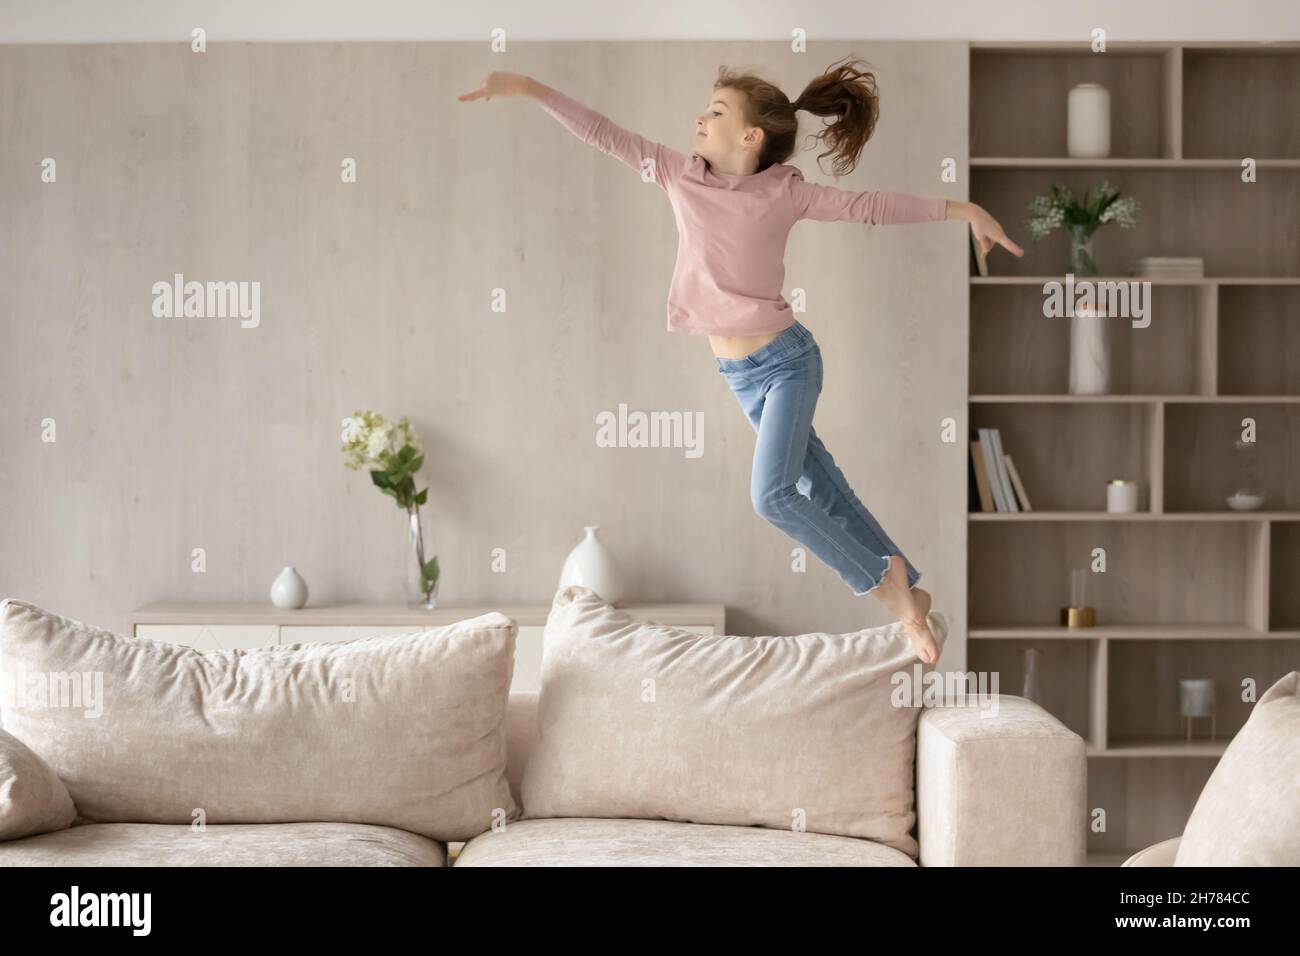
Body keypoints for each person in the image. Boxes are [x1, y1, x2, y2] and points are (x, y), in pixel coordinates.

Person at [459, 57, 1023, 663]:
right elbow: (604, 133)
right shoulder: (680, 175)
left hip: (788, 362)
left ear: (752, 137)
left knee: (772, 495)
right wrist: (529, 88)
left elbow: (870, 207)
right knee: (822, 486)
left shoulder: (784, 192)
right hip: (738, 377)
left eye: (717, 111)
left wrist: (963, 210)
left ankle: (891, 595)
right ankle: (909, 586)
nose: (701, 117)